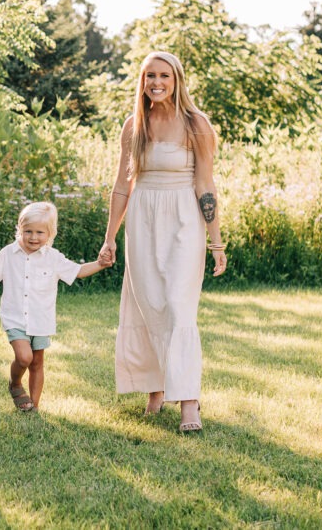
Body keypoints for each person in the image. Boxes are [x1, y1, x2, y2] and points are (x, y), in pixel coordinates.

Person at [97, 51, 227, 433]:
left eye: (164, 76)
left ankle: (189, 402)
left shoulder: (196, 125)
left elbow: (206, 185)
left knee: (177, 305)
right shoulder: (134, 125)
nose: (157, 82)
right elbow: (123, 186)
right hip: (142, 216)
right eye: (150, 75)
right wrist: (110, 238)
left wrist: (215, 242)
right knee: (148, 302)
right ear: (142, 81)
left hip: (184, 218)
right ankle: (155, 388)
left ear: (177, 80)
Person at [0, 202, 105, 413]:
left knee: (37, 363)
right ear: (20, 229)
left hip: (41, 319)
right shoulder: (8, 253)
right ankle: (15, 383)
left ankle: (33, 406)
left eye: (39, 233)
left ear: (50, 234)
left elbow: (78, 271)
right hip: (15, 317)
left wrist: (100, 264)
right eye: (28, 231)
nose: (33, 237)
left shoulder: (53, 258)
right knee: (24, 357)